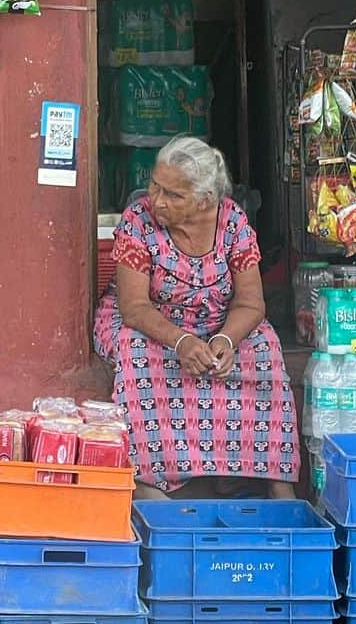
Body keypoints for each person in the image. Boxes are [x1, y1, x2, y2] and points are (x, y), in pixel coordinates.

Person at [94, 135, 299, 499]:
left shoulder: (232, 221)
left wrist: (224, 341)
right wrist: (182, 341)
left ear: (206, 199)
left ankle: (276, 486)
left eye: (173, 195)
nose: (157, 200)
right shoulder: (138, 220)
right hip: (152, 320)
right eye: (155, 187)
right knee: (136, 353)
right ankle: (148, 480)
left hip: (217, 319)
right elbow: (134, 307)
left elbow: (251, 303)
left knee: (265, 348)